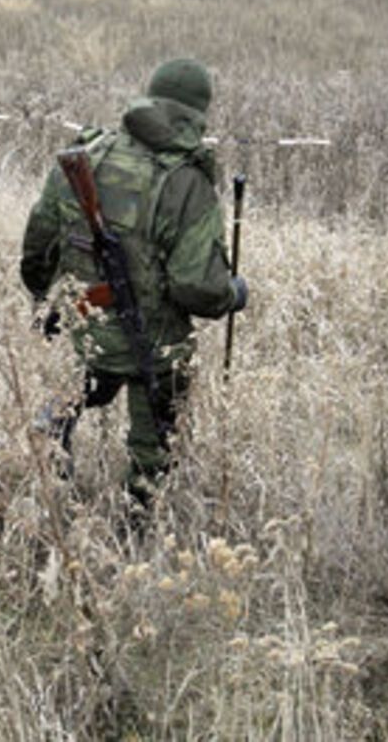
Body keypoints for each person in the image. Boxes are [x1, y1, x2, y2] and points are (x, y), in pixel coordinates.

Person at [20, 58, 249, 509]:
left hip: (84, 330)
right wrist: (233, 294)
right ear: (198, 114)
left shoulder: (89, 153)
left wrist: (54, 304)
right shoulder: (186, 183)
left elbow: (36, 250)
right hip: (156, 348)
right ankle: (138, 529)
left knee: (79, 392)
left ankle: (52, 479)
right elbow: (197, 289)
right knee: (153, 450)